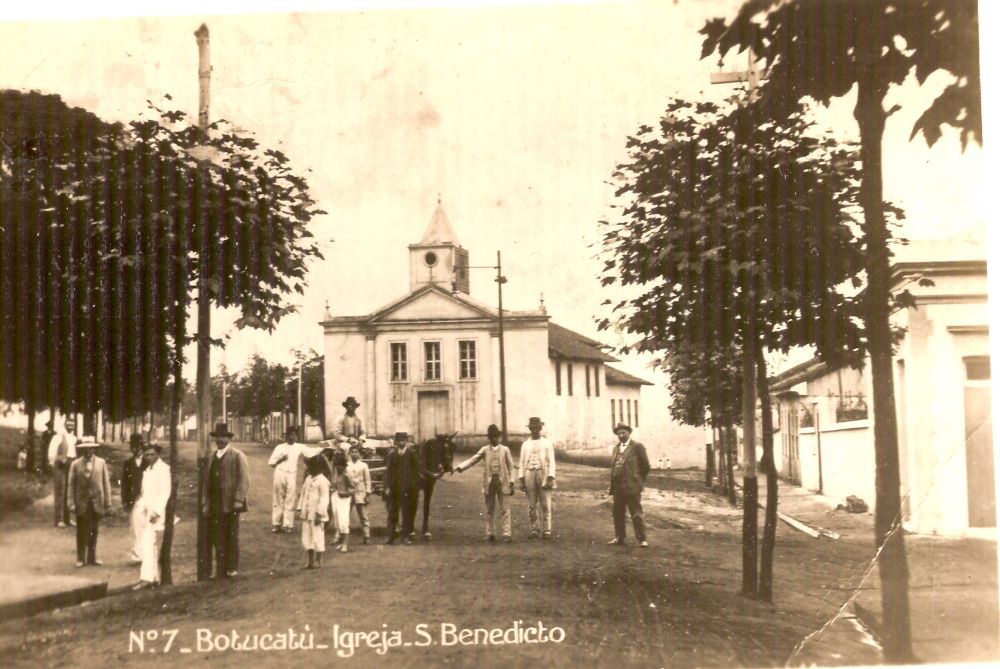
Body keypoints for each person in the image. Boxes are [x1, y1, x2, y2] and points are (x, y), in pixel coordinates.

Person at [201, 423, 250, 578]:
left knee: (231, 535)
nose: (220, 440)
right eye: (218, 437)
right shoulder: (212, 457)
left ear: (229, 438)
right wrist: (205, 502)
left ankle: (231, 567)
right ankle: (220, 569)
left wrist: (238, 500)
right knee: (217, 536)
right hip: (216, 503)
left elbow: (244, 479)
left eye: (223, 437)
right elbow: (206, 482)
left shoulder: (237, 456)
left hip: (231, 503)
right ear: (214, 439)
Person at [452, 424, 515, 543]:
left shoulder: (505, 450)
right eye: (492, 437)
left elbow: (511, 468)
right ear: (489, 438)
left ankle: (507, 533)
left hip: (503, 482)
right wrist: (460, 467)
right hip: (489, 483)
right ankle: (490, 533)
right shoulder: (485, 449)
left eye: (496, 436)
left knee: (505, 509)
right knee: (489, 509)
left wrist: (512, 482)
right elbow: (473, 460)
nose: (494, 439)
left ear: (499, 437)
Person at [67, 436, 112, 567]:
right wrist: (71, 502)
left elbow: (106, 483)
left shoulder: (101, 463)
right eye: (85, 448)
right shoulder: (75, 464)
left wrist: (108, 502)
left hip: (96, 502)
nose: (88, 451)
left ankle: (92, 558)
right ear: (82, 449)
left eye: (90, 448)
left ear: (94, 449)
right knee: (81, 530)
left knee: (94, 530)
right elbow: (71, 485)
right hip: (81, 502)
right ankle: (80, 558)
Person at [134, 442, 171, 588]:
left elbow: (165, 492)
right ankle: (154, 577)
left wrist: (157, 511)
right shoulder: (148, 470)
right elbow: (145, 493)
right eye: (146, 455)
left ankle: (147, 579)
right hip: (147, 512)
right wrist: (140, 508)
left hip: (157, 514)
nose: (149, 457)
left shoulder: (163, 469)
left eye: (152, 454)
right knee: (149, 544)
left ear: (158, 454)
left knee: (149, 543)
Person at [607, 423, 650, 548]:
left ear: (629, 433)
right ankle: (620, 537)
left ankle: (642, 539)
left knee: (636, 513)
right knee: (618, 513)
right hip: (618, 487)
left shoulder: (637, 447)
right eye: (618, 433)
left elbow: (645, 466)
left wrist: (639, 482)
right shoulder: (616, 448)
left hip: (632, 487)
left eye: (623, 433)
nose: (621, 435)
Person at [518, 417, 556, 540]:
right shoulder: (525, 445)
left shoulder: (547, 443)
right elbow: (522, 462)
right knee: (532, 504)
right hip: (529, 473)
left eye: (537, 428)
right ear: (530, 429)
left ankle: (547, 530)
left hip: (542, 473)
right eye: (532, 428)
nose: (534, 430)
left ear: (540, 428)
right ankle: (534, 529)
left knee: (545, 503)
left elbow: (551, 462)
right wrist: (522, 479)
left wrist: (550, 477)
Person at [383, 432, 421, 545]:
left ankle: (405, 536)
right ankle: (390, 537)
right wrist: (387, 487)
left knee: (406, 513)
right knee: (392, 512)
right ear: (396, 442)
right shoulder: (392, 454)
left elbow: (416, 472)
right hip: (394, 489)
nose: (401, 442)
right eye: (399, 440)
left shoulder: (412, 454)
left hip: (407, 489)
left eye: (403, 440)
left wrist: (413, 487)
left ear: (407, 441)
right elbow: (388, 472)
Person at [268, 426, 305, 534]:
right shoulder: (279, 447)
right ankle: (276, 523)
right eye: (292, 435)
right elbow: (271, 463)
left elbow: (311, 451)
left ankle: (288, 524)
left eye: (295, 435)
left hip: (291, 474)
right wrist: (280, 459)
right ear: (287, 436)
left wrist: (326, 446)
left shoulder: (299, 447)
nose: (294, 437)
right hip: (280, 473)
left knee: (290, 499)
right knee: (278, 498)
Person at [297, 455, 330, 569]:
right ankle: (310, 560)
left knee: (318, 536)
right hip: (307, 513)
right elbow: (303, 494)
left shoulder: (323, 481)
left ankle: (319, 560)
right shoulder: (308, 479)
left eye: (310, 466)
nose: (308, 469)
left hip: (316, 515)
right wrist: (300, 508)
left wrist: (319, 514)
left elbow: (324, 499)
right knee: (307, 537)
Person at [47, 416, 78, 527]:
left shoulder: (73, 438)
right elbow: (51, 452)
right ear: (64, 425)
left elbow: (73, 453)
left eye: (72, 424)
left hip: (71, 464)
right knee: (60, 491)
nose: (71, 426)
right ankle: (58, 519)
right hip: (60, 465)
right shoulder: (58, 437)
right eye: (69, 424)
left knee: (69, 491)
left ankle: (67, 518)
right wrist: (53, 462)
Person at [122, 434, 147, 562]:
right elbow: (125, 484)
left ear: (142, 446)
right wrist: (125, 501)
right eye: (133, 447)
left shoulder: (148, 462)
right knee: (135, 526)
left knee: (146, 527)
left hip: (147, 498)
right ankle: (138, 554)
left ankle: (145, 554)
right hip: (134, 499)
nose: (135, 450)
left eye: (137, 447)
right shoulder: (128, 463)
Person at [329, 450, 356, 553]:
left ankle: (345, 544)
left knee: (344, 521)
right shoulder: (335, 475)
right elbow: (332, 485)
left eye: (341, 466)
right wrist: (332, 489)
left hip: (344, 499)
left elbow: (353, 489)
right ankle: (340, 542)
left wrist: (345, 494)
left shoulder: (347, 475)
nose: (339, 468)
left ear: (344, 466)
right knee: (337, 521)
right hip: (335, 497)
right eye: (337, 466)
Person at [346, 444, 372, 544]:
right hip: (349, 492)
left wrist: (368, 494)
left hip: (360, 492)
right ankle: (341, 535)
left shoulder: (363, 465)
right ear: (349, 453)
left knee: (363, 515)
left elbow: (367, 480)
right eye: (352, 452)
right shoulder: (347, 465)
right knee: (345, 514)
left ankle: (366, 535)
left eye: (356, 452)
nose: (354, 454)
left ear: (359, 453)